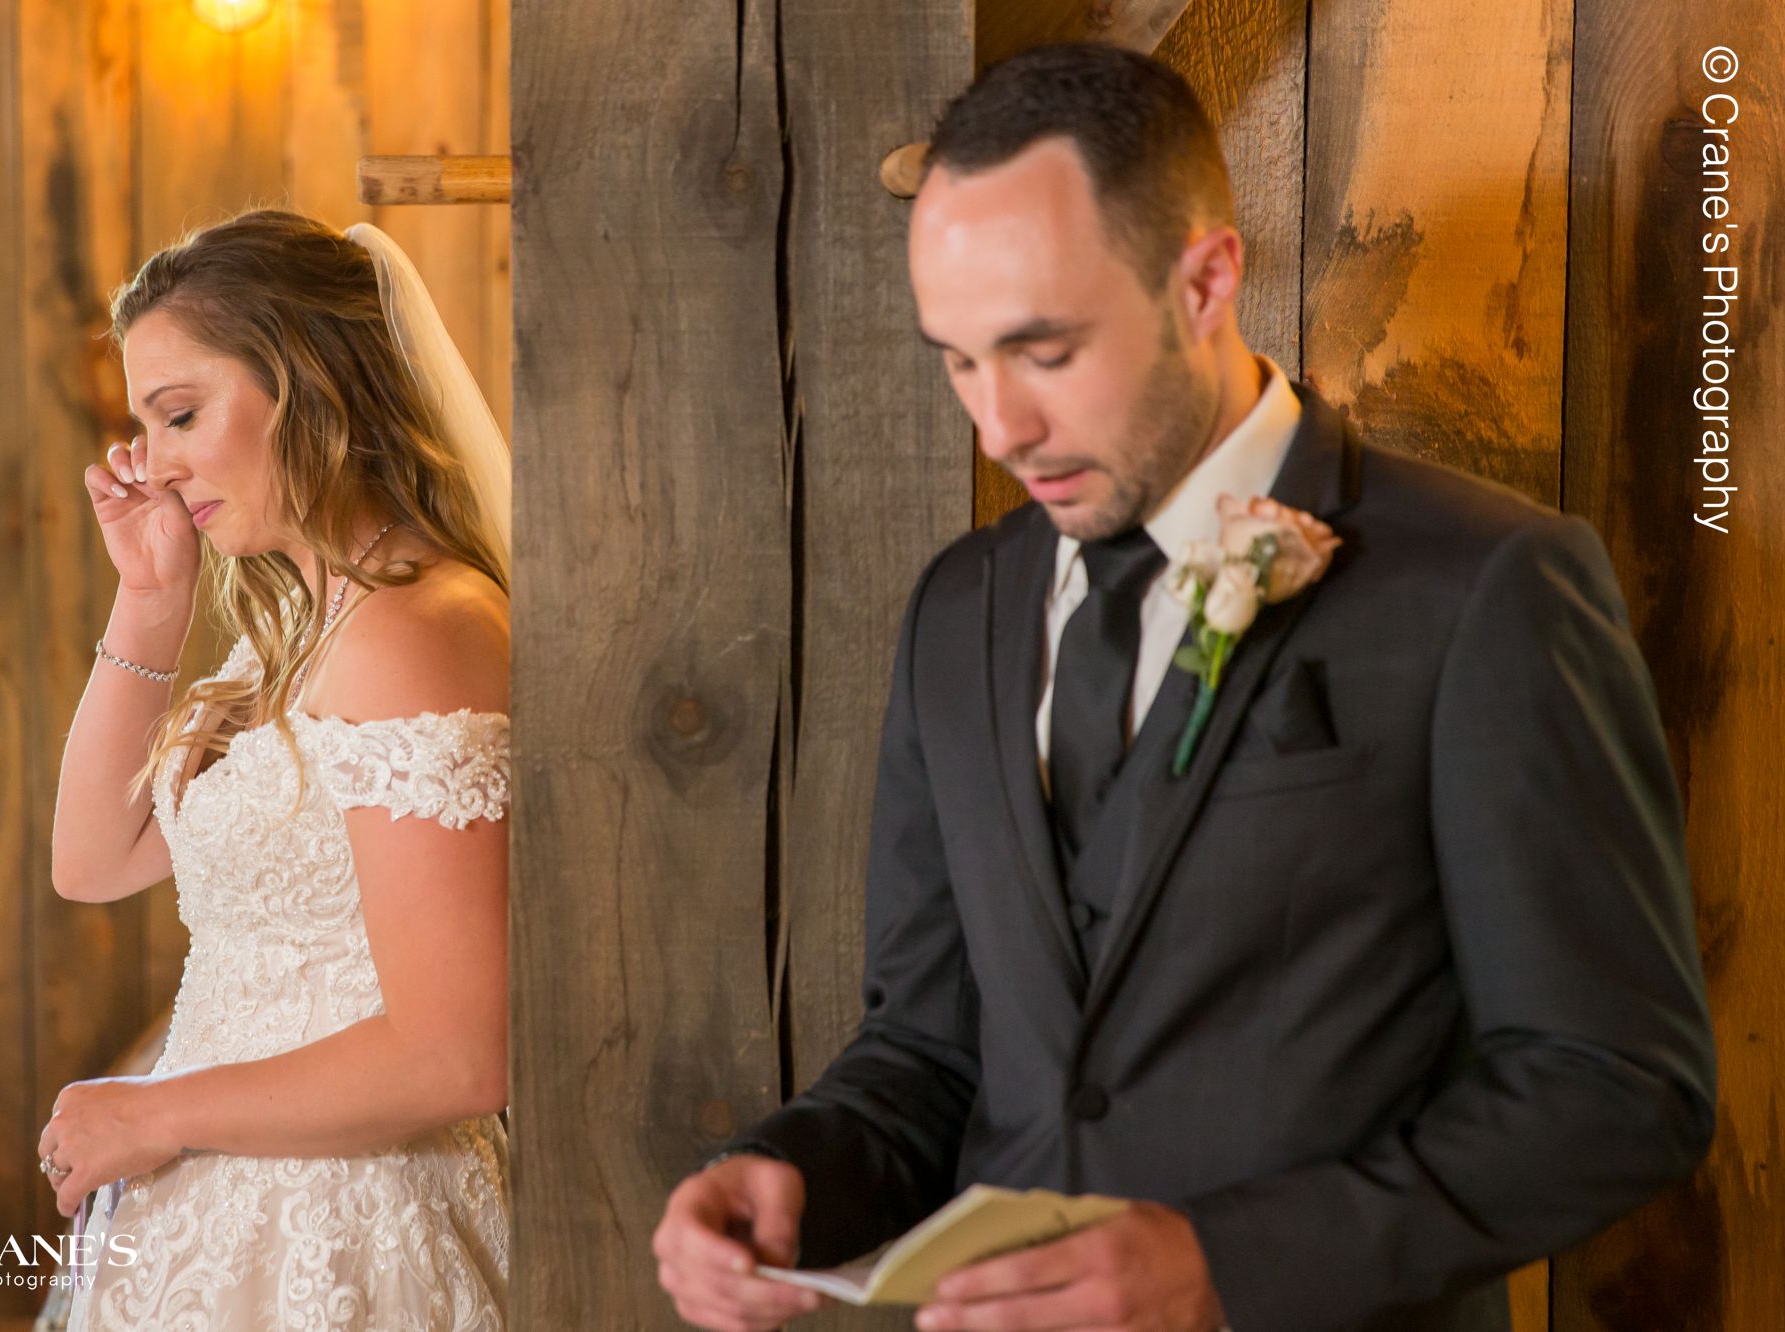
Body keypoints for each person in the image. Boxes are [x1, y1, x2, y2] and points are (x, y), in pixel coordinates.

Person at [653, 43, 1715, 1332]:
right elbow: (930, 1045)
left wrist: (1230, 1264)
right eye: (958, 360)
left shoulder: (1484, 589)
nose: (999, 428)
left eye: (1043, 353)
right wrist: (795, 1174)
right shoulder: (958, 610)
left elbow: (1614, 1087)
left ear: (1205, 278)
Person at [45, 208, 511, 1330]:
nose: (153, 465)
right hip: (225, 1205)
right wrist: (150, 600)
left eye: (182, 414)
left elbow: (456, 1056)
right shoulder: (300, 628)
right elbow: (91, 860)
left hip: (348, 1217)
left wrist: (154, 1116)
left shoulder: (415, 629)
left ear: (306, 383)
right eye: (143, 427)